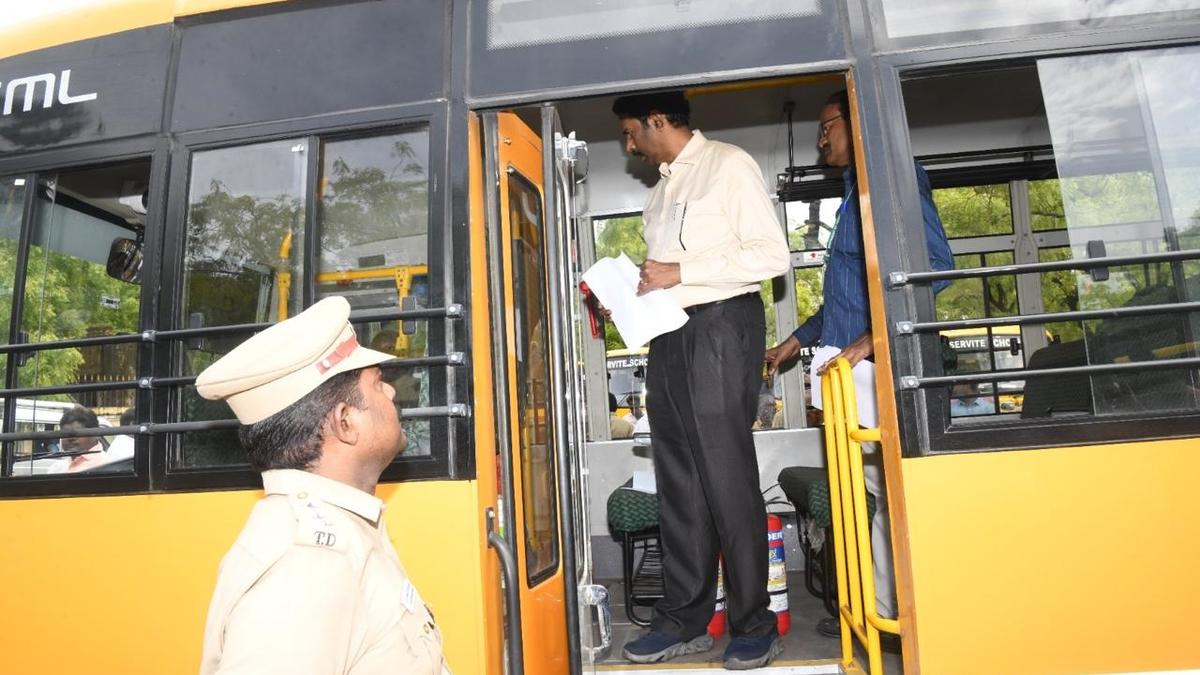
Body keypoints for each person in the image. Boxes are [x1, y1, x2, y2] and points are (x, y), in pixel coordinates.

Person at [613, 91, 790, 669]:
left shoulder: (728, 164)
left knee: (724, 475)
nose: (628, 142)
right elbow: (666, 275)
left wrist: (681, 271)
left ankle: (753, 622)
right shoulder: (661, 192)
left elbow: (771, 256)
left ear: (658, 120)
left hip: (721, 327)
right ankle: (684, 617)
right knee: (680, 481)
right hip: (670, 334)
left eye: (631, 130)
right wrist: (641, 287)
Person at [764, 90, 953, 624]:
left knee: (893, 497)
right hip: (854, 377)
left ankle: (906, 615)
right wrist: (793, 344)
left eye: (827, 126)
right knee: (869, 497)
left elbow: (937, 265)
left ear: (856, 121)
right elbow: (843, 299)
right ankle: (880, 609)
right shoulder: (853, 191)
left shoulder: (894, 177)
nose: (821, 138)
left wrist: (873, 340)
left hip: (884, 373)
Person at [196, 296, 450, 674]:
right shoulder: (305, 566)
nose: (393, 393)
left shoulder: (341, 530)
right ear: (345, 422)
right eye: (378, 384)